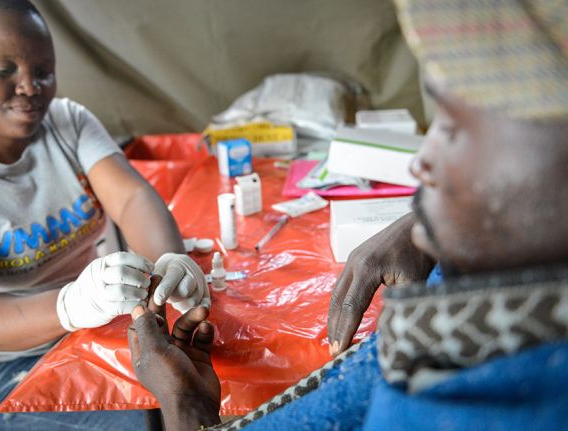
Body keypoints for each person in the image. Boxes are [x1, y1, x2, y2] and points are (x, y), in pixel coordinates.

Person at [127, 0, 568, 429]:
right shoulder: (511, 269)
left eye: (454, 129)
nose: (420, 163)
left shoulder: (475, 403)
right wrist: (426, 226)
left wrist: (185, 408)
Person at [0, 0, 209, 429]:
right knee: (151, 420)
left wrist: (171, 259)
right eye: (3, 70)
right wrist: (70, 304)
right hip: (4, 367)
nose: (30, 87)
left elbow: (132, 198)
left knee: (214, 381)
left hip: (95, 329)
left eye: (43, 71)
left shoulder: (67, 121)